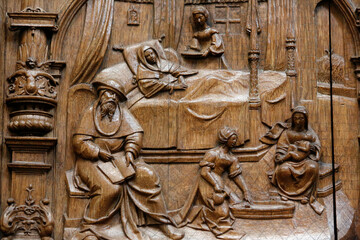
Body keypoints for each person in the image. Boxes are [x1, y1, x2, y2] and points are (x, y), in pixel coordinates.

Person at [71, 77, 184, 240]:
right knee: (110, 189)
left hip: (119, 158)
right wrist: (97, 151)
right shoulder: (91, 113)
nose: (112, 98)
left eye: (116, 95)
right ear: (101, 95)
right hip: (92, 160)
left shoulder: (123, 113)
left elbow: (135, 136)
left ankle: (163, 223)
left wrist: (130, 152)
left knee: (147, 176)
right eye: (109, 93)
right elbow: (79, 142)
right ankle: (89, 228)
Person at [181, 126, 251, 239]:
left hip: (219, 181)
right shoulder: (212, 153)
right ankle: (223, 231)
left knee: (236, 202)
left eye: (235, 139)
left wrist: (245, 191)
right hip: (207, 181)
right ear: (225, 139)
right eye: (232, 139)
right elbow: (204, 172)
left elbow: (236, 176)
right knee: (220, 207)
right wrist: (215, 184)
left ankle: (201, 215)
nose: (234, 141)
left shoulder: (232, 158)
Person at [261, 106, 324, 214]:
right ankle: (285, 194)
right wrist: (282, 155)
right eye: (296, 118)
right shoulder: (287, 133)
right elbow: (281, 149)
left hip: (306, 160)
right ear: (293, 119)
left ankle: (305, 195)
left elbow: (318, 147)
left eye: (301, 118)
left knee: (313, 167)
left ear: (306, 119)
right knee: (283, 170)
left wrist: (312, 148)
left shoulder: (310, 134)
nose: (298, 121)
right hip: (289, 161)